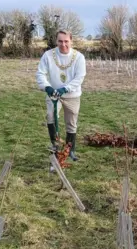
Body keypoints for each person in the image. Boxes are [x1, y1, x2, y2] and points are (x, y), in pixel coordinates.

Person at [36, 29, 86, 161]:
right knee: (51, 116)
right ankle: (55, 145)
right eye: (60, 41)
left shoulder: (79, 57)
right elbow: (40, 73)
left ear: (71, 41)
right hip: (53, 94)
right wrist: (47, 87)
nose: (63, 44)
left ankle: (70, 150)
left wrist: (66, 88)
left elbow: (79, 77)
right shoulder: (48, 55)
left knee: (71, 122)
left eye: (66, 41)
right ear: (56, 41)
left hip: (72, 95)